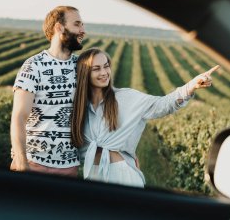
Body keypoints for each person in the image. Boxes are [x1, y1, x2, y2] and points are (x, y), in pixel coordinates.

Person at [71, 47, 220, 187]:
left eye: (106, 66)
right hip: (92, 176)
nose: (104, 72)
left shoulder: (125, 97)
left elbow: (162, 105)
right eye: (96, 69)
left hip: (122, 175)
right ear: (85, 73)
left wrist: (191, 86)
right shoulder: (80, 108)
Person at [10, 5, 86, 177]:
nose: (83, 30)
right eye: (77, 24)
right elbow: (19, 117)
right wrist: (22, 163)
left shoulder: (81, 67)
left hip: (69, 166)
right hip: (33, 162)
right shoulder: (33, 65)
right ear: (59, 27)